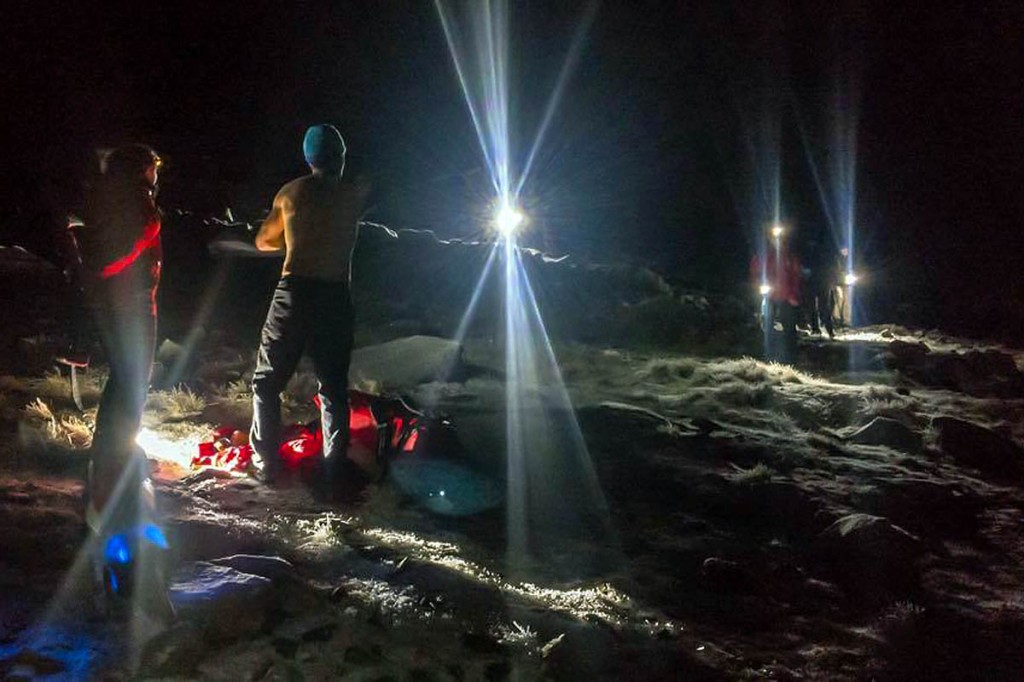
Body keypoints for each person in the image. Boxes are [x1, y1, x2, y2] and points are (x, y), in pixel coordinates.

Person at [250, 124, 369, 493]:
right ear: (341, 157)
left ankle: (266, 463)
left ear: (308, 157)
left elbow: (263, 241)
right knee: (333, 386)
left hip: (296, 291)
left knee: (267, 382)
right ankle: (334, 467)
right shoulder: (354, 195)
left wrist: (290, 234)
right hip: (335, 294)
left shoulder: (292, 192)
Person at [78, 144, 163, 522]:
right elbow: (114, 254)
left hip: (121, 302)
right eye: (153, 168)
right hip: (132, 304)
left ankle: (109, 458)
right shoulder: (137, 203)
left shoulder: (108, 197)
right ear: (143, 170)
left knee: (124, 382)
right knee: (131, 385)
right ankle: (115, 467)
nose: (156, 174)